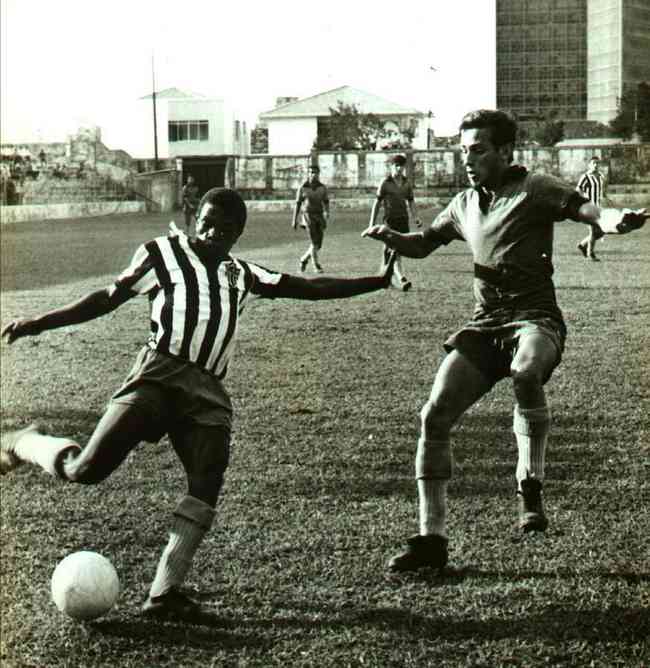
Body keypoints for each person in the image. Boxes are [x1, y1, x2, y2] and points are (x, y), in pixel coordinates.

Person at [1, 187, 396, 621]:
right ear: (196, 219)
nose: (211, 233)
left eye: (224, 229)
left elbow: (308, 287)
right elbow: (105, 298)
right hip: (158, 376)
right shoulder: (162, 253)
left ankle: (164, 594)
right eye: (206, 222)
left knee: (206, 480)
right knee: (86, 470)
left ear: (236, 235)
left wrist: (376, 281)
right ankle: (26, 442)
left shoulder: (242, 274)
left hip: (207, 391)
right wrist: (39, 323)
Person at [362, 109, 647, 573]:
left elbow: (584, 209)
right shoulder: (464, 204)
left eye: (477, 149)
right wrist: (392, 236)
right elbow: (424, 243)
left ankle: (528, 485)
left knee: (526, 371)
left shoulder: (534, 187)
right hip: (485, 323)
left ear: (505, 152)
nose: (468, 159)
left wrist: (613, 220)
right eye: (463, 150)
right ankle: (431, 540)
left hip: (535, 319)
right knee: (433, 414)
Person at [368, 154, 421, 292]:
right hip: (389, 221)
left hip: (403, 220)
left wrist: (416, 218)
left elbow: (411, 202)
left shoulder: (406, 183)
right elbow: (377, 203)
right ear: (391, 166)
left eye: (401, 166)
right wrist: (371, 224)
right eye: (396, 166)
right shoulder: (385, 183)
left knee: (395, 250)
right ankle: (401, 278)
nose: (399, 169)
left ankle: (384, 276)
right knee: (394, 250)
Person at [292, 164, 330, 273]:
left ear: (318, 174)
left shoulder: (322, 187)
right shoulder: (303, 187)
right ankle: (316, 265)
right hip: (308, 216)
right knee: (314, 241)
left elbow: (326, 201)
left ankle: (304, 259)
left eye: (315, 172)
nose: (313, 174)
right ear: (308, 173)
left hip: (319, 215)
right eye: (311, 172)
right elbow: (298, 204)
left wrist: (327, 212)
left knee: (319, 244)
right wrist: (294, 219)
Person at [576, 156, 607, 261]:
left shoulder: (601, 176)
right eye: (593, 163)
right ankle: (591, 254)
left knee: (603, 230)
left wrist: (605, 197)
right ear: (589, 165)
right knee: (594, 231)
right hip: (589, 208)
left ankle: (582, 244)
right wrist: (583, 201)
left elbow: (602, 189)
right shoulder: (585, 176)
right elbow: (578, 190)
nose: (596, 165)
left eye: (597, 163)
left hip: (599, 208)